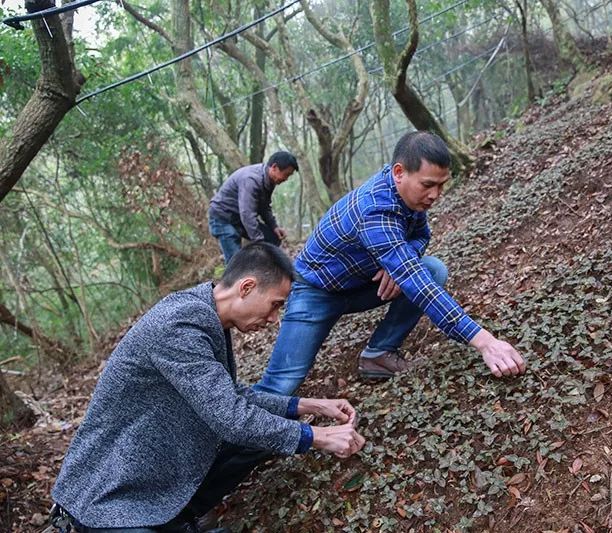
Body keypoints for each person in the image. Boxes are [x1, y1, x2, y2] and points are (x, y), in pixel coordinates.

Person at [49, 243, 365, 532]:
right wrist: (317, 437)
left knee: (263, 436)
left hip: (155, 460)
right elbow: (231, 416)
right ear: (247, 287)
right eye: (274, 305)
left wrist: (309, 406)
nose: (273, 319)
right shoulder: (179, 323)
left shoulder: (208, 314)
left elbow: (232, 396)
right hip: (108, 490)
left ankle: (181, 516)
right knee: (253, 431)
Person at [253, 131, 526, 396]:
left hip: (362, 283)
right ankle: (238, 434)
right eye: (428, 185)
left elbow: (421, 236)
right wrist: (485, 342)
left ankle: (378, 354)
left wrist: (395, 265)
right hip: (316, 292)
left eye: (442, 185)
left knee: (433, 269)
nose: (435, 195)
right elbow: (420, 287)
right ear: (399, 172)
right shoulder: (375, 209)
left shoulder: (407, 196)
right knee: (282, 383)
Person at [208, 151, 298, 264]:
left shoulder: (269, 181)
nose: (286, 179)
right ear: (274, 167)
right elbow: (247, 213)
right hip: (222, 218)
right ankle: (242, 275)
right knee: (236, 264)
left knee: (272, 238)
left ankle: (264, 269)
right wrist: (259, 241)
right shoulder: (251, 180)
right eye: (286, 174)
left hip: (239, 218)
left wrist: (274, 227)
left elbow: (264, 207)